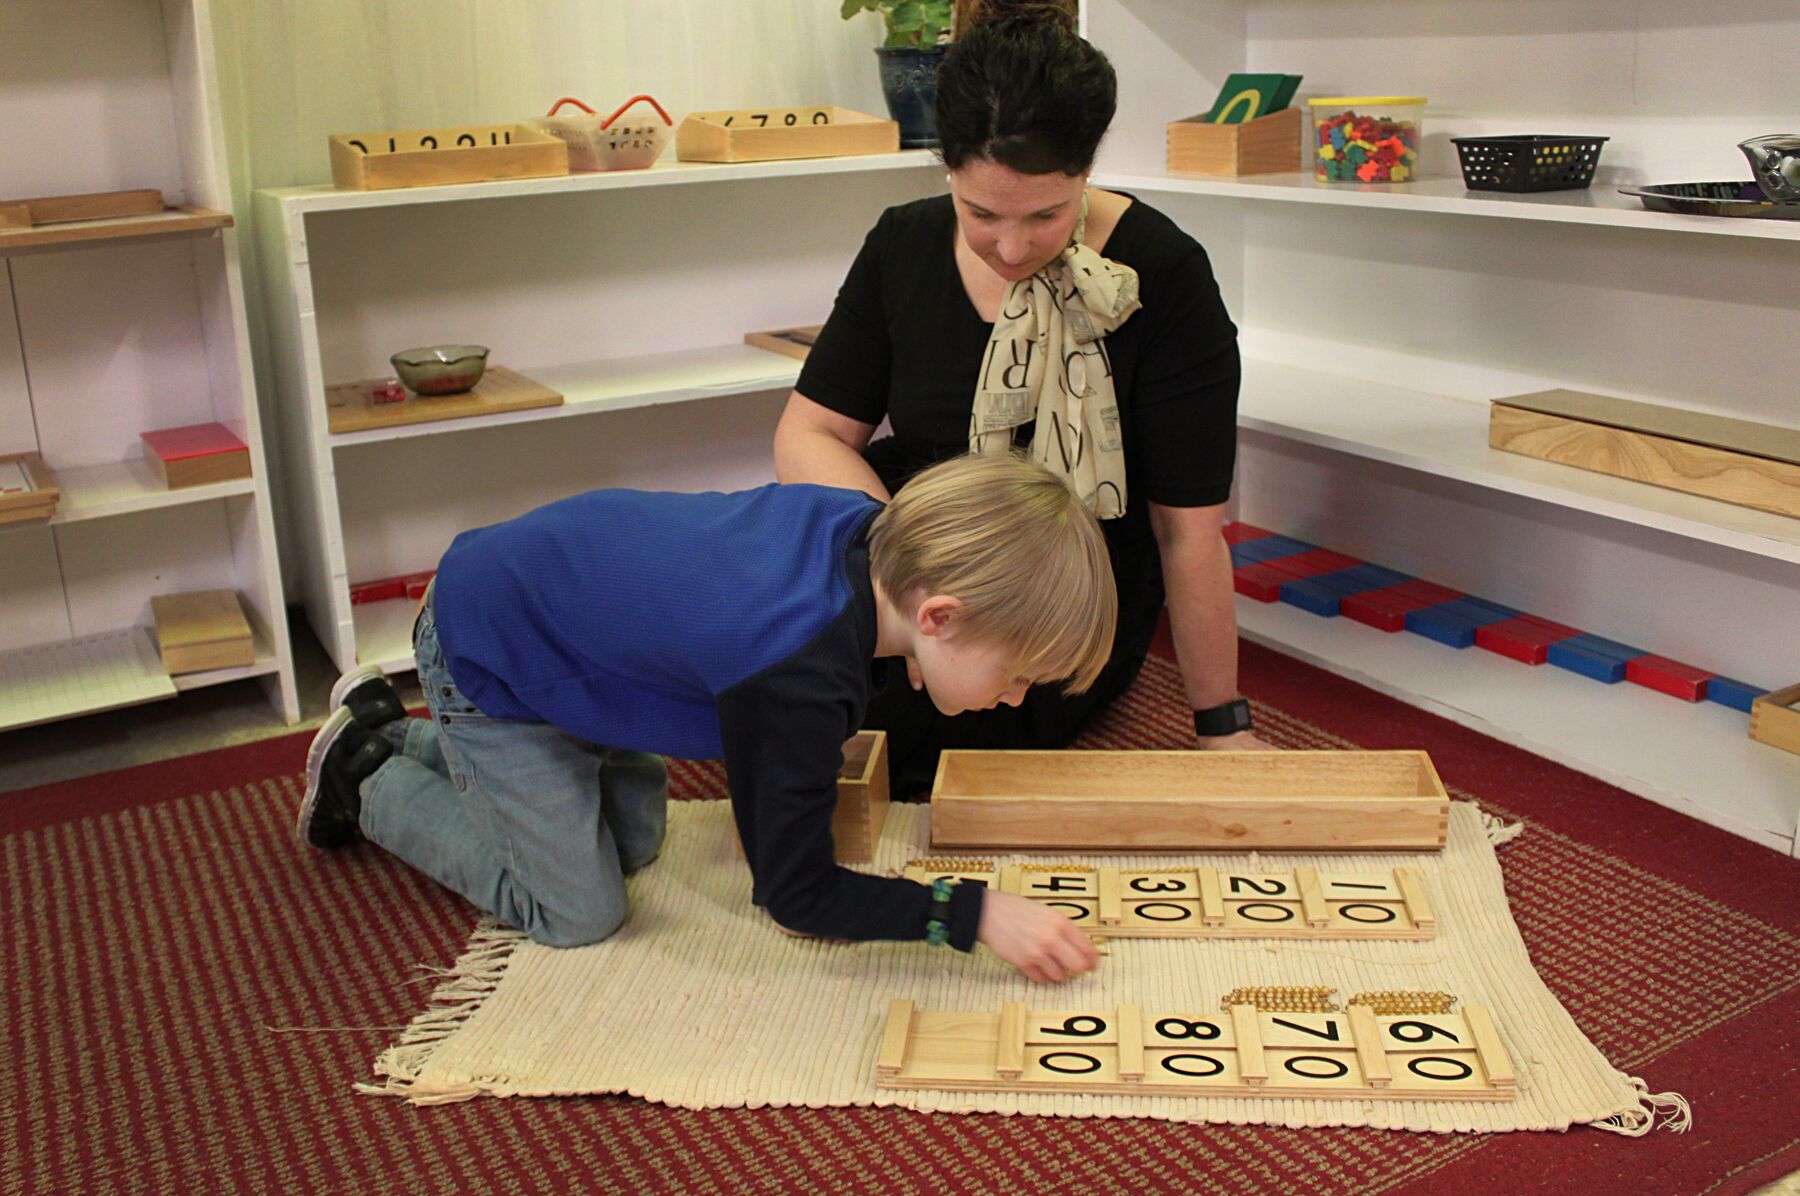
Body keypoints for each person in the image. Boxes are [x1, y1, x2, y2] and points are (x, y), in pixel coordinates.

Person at [295, 453, 1111, 985]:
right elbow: (797, 895)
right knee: (580, 913)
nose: (1013, 700)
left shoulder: (869, 528)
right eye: (1018, 676)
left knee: (640, 842)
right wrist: (971, 914)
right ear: (936, 618)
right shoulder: (796, 671)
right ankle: (359, 773)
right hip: (490, 655)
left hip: (564, 629)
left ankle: (398, 728)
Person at [774, 0, 1272, 798]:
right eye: (980, 214)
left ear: (1087, 171)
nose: (1011, 248)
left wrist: (1222, 725)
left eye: (1046, 214)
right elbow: (811, 433)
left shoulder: (1164, 273)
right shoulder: (903, 241)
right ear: (947, 172)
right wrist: (904, 551)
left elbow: (1187, 529)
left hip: (1061, 589)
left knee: (939, 736)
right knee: (779, 681)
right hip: (914, 553)